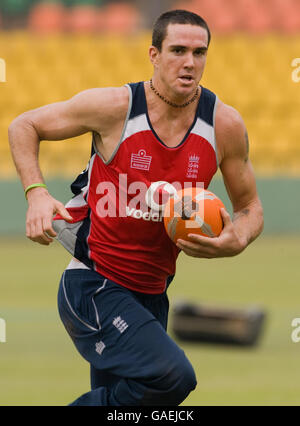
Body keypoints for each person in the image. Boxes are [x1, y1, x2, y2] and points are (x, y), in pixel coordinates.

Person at [8, 9, 263, 406]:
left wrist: (237, 238)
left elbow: (249, 207)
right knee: (173, 377)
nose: (189, 62)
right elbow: (24, 125)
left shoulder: (224, 125)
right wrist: (36, 193)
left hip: (152, 293)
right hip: (94, 284)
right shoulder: (115, 107)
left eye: (200, 52)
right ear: (154, 54)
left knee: (131, 403)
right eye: (178, 50)